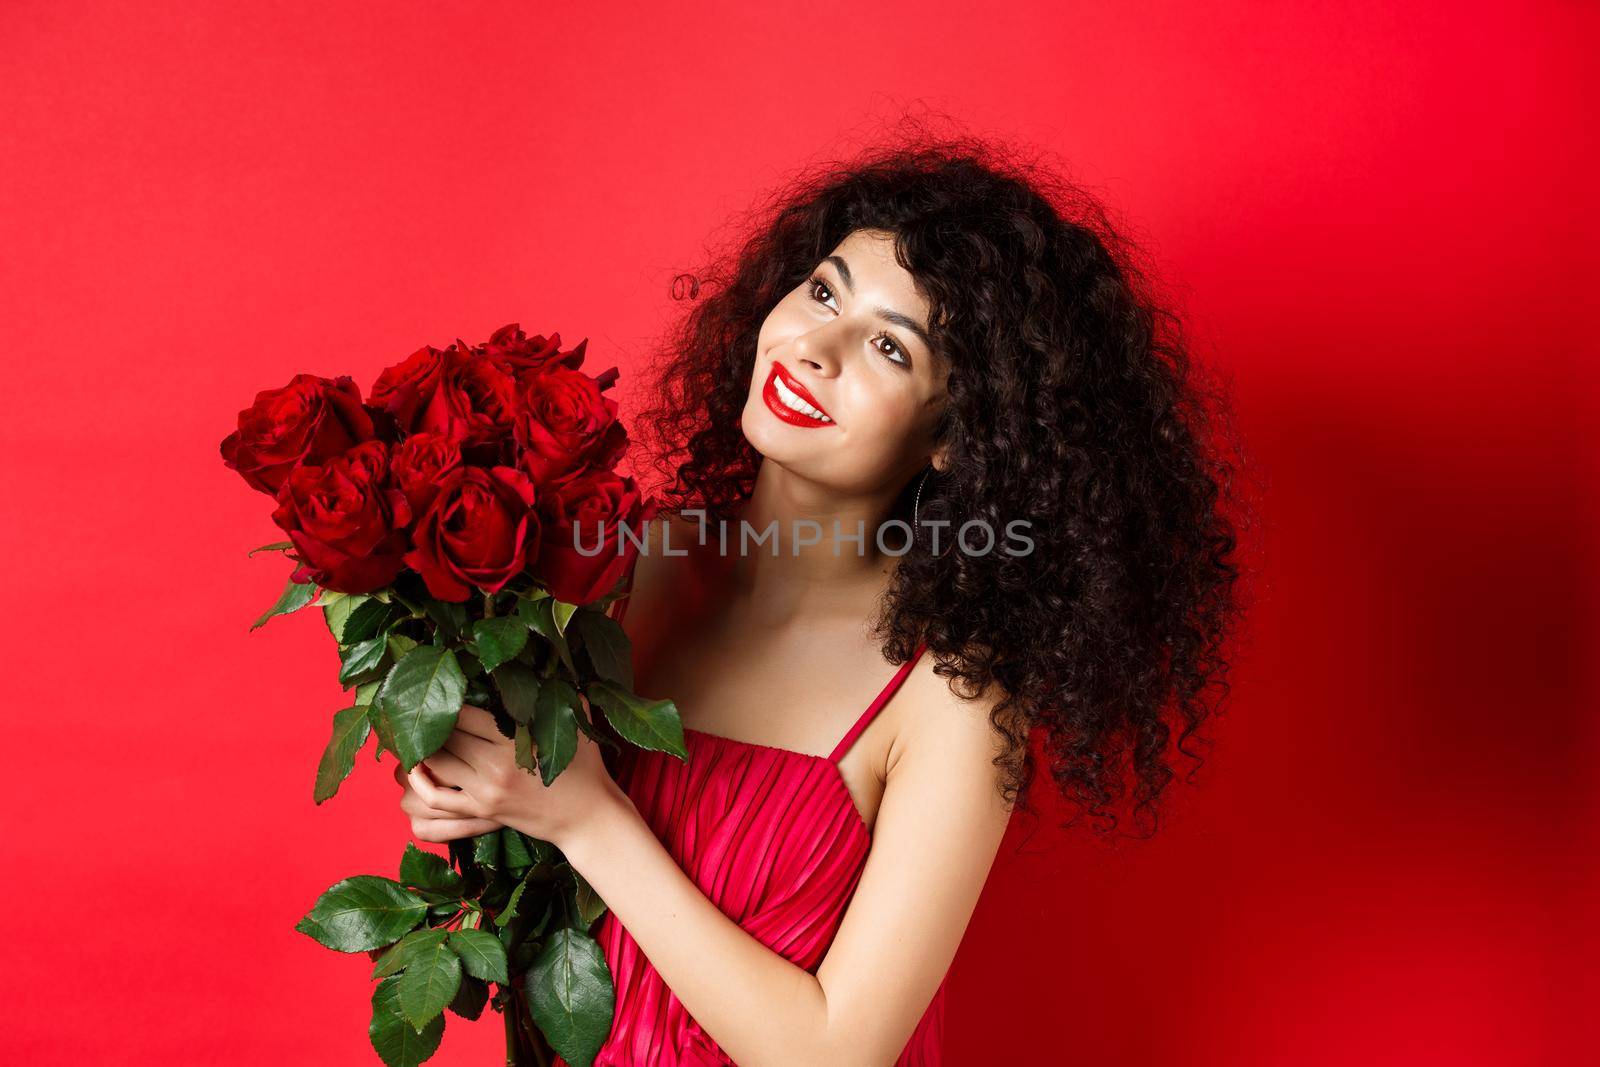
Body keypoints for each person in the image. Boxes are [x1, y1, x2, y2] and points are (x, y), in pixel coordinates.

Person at [392, 129, 1250, 1065]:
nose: (815, 346)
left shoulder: (953, 697)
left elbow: (835, 1052)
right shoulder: (625, 560)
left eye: (889, 345)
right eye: (825, 290)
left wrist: (586, 818)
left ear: (958, 440)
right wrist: (470, 791)